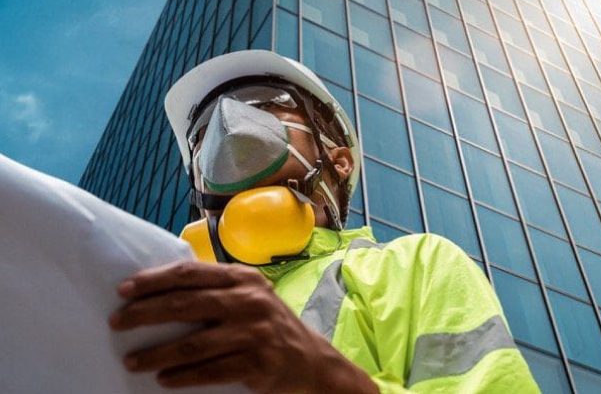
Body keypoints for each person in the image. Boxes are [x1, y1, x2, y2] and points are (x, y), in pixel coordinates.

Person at [109, 50, 539, 393]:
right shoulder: (157, 300)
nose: (226, 119)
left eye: (265, 103)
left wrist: (327, 383)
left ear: (339, 160)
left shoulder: (416, 264)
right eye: (200, 134)